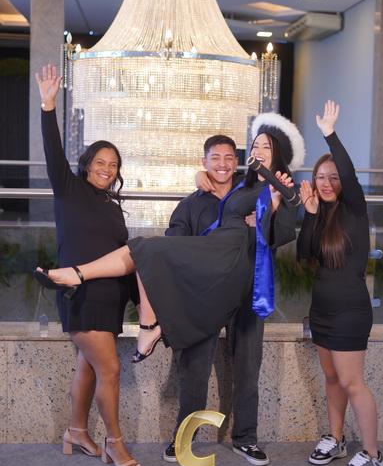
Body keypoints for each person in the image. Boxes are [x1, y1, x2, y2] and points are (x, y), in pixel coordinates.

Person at [35, 114, 304, 393]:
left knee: (247, 375)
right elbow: (220, 190)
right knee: (144, 248)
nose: (258, 151)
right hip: (210, 269)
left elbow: (281, 232)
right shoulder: (239, 186)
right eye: (255, 145)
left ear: (276, 154)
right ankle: (123, 305)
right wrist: (203, 178)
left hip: (240, 272)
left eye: (266, 147)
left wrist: (270, 208)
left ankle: (96, 287)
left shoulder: (279, 186)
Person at [35, 64, 141, 466]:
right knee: (109, 368)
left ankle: (76, 431)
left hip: (109, 298)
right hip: (79, 294)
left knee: (89, 366)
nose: (107, 169)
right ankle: (115, 443)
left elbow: (121, 256)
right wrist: (48, 106)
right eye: (100, 162)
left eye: (113, 165)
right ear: (87, 163)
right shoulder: (69, 189)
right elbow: (52, 151)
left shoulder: (112, 206)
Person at [163, 134, 269, 466]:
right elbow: (174, 245)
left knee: (248, 369)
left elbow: (278, 230)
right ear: (204, 162)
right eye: (215, 158)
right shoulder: (191, 204)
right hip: (204, 297)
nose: (222, 164)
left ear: (236, 163)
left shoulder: (253, 197)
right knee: (194, 372)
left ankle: (246, 439)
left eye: (228, 157)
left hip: (246, 293)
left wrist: (260, 223)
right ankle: (185, 436)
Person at [297, 100, 383, 466]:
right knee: (332, 379)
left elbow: (347, 171)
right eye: (320, 177)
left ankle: (373, 455)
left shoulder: (354, 207)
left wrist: (330, 134)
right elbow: (304, 255)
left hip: (350, 312)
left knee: (352, 382)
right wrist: (309, 214)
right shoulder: (321, 214)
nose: (327, 182)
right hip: (322, 311)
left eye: (332, 177)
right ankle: (336, 438)